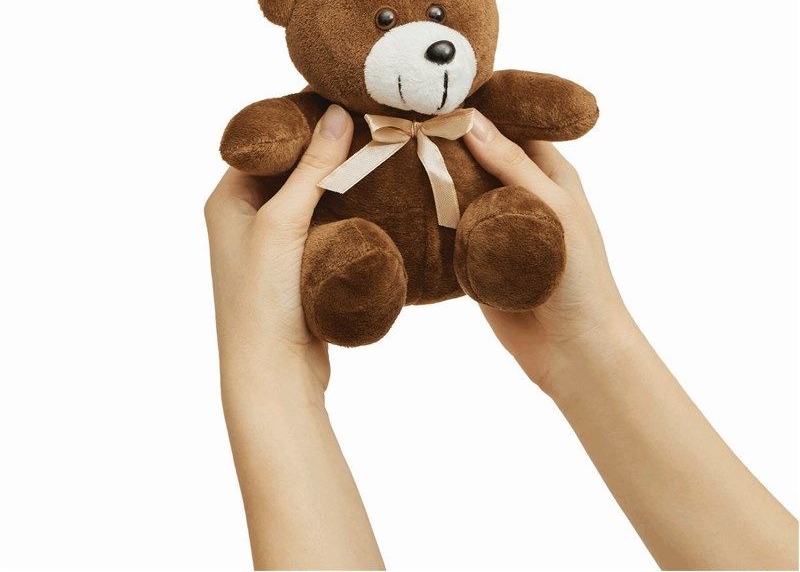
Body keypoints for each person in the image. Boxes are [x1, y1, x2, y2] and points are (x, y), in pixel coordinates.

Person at [204, 104, 798, 571]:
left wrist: (273, 381)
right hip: (355, 232)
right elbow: (266, 134)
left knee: (513, 226)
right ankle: (355, 275)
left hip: (480, 226)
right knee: (347, 260)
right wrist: (585, 343)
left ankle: (502, 240)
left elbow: (554, 107)